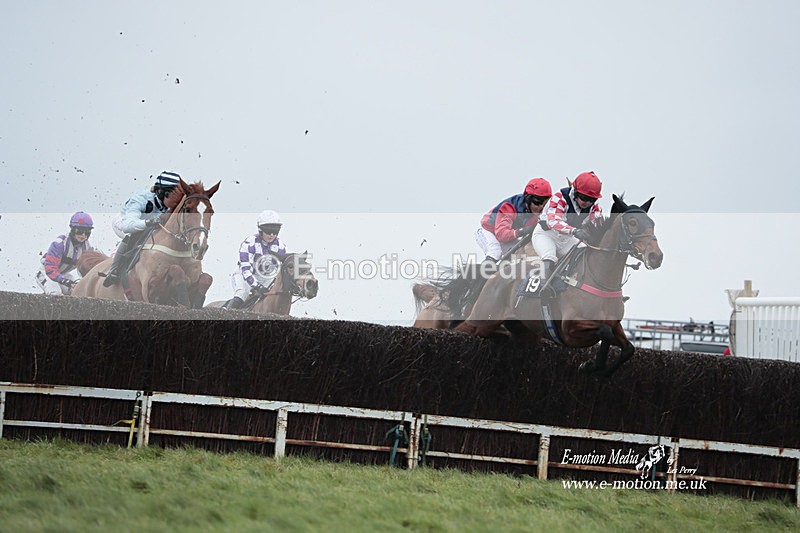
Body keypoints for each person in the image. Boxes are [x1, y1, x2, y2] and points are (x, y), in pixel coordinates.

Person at [102, 171, 181, 287]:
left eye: (179, 195)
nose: (176, 199)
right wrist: (149, 222)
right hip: (124, 222)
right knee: (134, 233)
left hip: (150, 226)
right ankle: (114, 271)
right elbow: (128, 226)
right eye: (172, 194)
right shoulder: (141, 199)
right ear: (160, 192)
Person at [532, 171, 605, 283]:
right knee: (549, 255)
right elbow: (553, 221)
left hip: (567, 239)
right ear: (575, 191)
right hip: (546, 235)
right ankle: (542, 290)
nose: (587, 203)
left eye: (592, 199)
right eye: (584, 197)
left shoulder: (594, 207)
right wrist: (574, 231)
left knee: (585, 254)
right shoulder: (560, 198)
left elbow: (598, 225)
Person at [222, 210, 288, 309]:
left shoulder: (281, 247)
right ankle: (225, 314)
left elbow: (278, 271)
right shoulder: (249, 243)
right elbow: (246, 270)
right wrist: (257, 286)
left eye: (275, 232)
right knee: (242, 293)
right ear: (260, 230)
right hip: (244, 275)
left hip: (265, 278)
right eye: (268, 231)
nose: (271, 235)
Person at [476, 177, 552, 262]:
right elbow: (502, 235)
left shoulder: (539, 213)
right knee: (495, 252)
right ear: (528, 199)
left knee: (520, 255)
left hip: (508, 234)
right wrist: (523, 231)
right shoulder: (510, 207)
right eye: (537, 202)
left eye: (545, 203)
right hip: (488, 231)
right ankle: (479, 273)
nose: (541, 207)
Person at [35, 212, 95, 295]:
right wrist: (64, 281)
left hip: (63, 274)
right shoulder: (59, 244)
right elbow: (50, 269)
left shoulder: (88, 248)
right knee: (55, 293)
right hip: (46, 272)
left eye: (87, 232)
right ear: (73, 230)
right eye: (80, 231)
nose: (83, 235)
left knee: (79, 292)